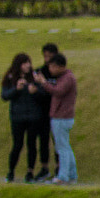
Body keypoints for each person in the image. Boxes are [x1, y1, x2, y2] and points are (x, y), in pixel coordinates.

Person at [31, 52, 78, 183]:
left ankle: (62, 177)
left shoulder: (67, 78)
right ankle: (72, 175)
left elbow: (57, 91)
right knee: (65, 147)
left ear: (59, 66)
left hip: (62, 117)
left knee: (61, 148)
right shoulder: (65, 77)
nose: (50, 70)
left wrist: (43, 82)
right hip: (61, 117)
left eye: (51, 67)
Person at [0, 53, 46, 183]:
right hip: (17, 117)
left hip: (33, 117)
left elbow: (43, 95)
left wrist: (35, 91)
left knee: (32, 144)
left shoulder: (35, 77)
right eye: (24, 63)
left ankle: (30, 172)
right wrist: (16, 89)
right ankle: (11, 171)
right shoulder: (10, 78)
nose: (28, 66)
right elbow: (4, 96)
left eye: (28, 63)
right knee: (17, 145)